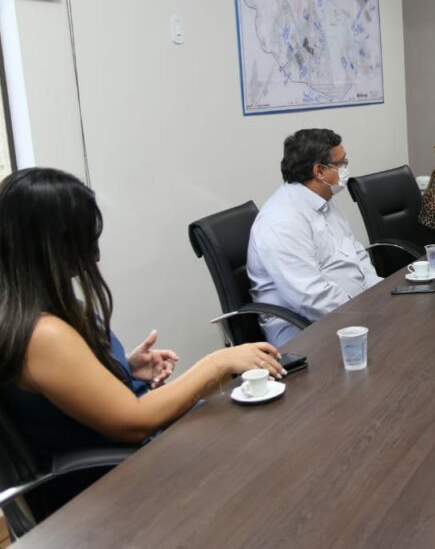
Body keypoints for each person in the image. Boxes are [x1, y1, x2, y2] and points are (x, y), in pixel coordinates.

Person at [0, 168, 282, 469]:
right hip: (120, 482)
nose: (95, 255)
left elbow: (70, 391)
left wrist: (124, 369)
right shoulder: (44, 334)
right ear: (50, 244)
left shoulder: (32, 313)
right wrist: (217, 362)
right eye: (86, 238)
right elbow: (134, 421)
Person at [248, 129, 382, 347]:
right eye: (341, 163)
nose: (346, 168)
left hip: (353, 313)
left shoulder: (325, 200)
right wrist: (367, 314)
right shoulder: (282, 220)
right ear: (319, 171)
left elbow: (356, 254)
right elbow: (310, 297)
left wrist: (381, 294)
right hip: (306, 331)